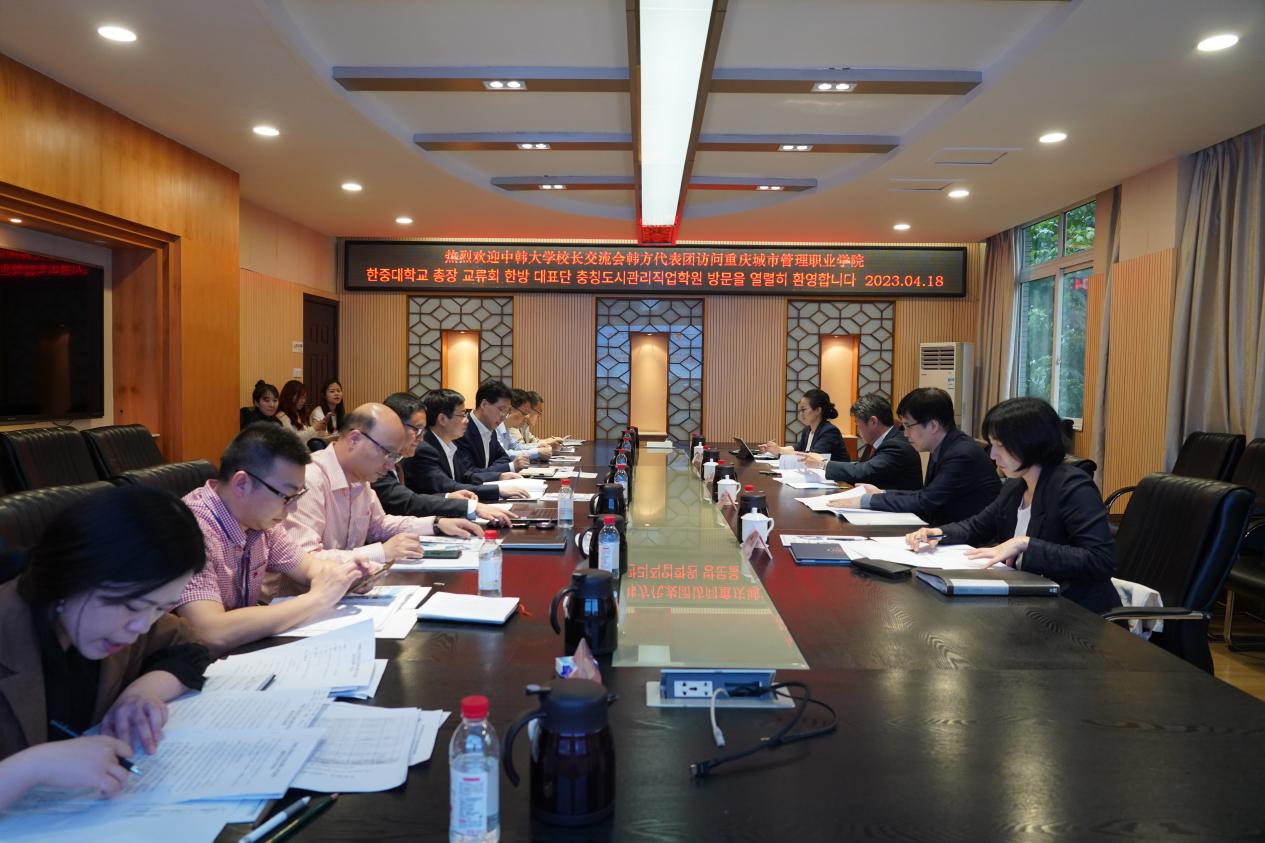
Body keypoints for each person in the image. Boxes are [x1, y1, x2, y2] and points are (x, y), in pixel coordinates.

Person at [0, 485, 210, 809]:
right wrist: (32, 767)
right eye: (133, 605)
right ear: (72, 574)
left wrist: (144, 693)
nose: (142, 626)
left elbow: (188, 646)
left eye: (159, 608)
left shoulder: (113, 617)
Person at [904, 397, 1120, 612]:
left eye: (1000, 445)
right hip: (1028, 602)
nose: (992, 454)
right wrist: (937, 533)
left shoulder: (1073, 487)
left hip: (1074, 610)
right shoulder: (1016, 486)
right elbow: (976, 527)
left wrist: (1026, 544)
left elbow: (1100, 560)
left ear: (1030, 443)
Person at [174, 423, 372, 656]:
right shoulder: (190, 529)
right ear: (242, 483)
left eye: (297, 496)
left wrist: (346, 576)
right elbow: (210, 632)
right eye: (286, 496)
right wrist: (317, 599)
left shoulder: (261, 523)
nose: (292, 507)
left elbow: (309, 567)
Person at [283, 403, 484, 569]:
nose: (390, 465)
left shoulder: (360, 478)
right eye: (387, 453)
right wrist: (381, 552)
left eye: (395, 456)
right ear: (354, 439)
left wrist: (435, 524)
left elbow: (379, 526)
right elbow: (305, 559)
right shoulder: (308, 479)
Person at [833, 387, 1001, 524]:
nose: (905, 434)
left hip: (969, 540)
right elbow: (926, 494)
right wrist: (883, 493)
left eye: (908, 426)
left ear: (933, 425)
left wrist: (866, 501)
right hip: (943, 528)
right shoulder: (944, 445)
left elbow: (926, 501)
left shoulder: (961, 454)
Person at [372, 393, 513, 526]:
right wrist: (468, 506)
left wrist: (447, 498)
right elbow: (407, 502)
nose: (421, 437)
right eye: (417, 429)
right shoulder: (378, 463)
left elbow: (465, 476)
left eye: (423, 429)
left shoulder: (449, 445)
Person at [403, 389, 529, 501]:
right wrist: (497, 490)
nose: (466, 420)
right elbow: (448, 486)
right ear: (442, 419)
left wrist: (500, 476)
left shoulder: (449, 444)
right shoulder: (424, 449)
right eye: (462, 415)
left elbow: (467, 476)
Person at [803, 394, 922, 490]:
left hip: (898, 510)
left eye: (858, 424)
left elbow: (864, 470)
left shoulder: (896, 445)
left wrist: (823, 464)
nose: (858, 431)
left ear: (873, 422)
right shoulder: (880, 441)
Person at [457, 380, 531, 479]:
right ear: (484, 404)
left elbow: (504, 457)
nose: (504, 416)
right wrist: (510, 467)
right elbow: (469, 473)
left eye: (507, 411)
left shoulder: (490, 428)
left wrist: (489, 471)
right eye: (501, 409)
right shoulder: (462, 431)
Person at [759, 388, 849, 462]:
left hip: (837, 478)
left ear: (818, 410)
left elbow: (812, 457)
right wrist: (773, 448)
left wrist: (779, 451)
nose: (801, 413)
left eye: (804, 409)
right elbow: (797, 448)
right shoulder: (808, 430)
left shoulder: (829, 431)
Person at [501, 389, 553, 459]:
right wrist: (537, 452)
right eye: (524, 413)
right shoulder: (496, 427)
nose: (527, 417)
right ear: (510, 409)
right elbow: (502, 454)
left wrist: (538, 446)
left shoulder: (506, 427)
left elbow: (516, 447)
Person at [275, 379, 319, 444]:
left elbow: (307, 435)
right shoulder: (282, 416)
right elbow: (292, 439)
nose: (303, 401)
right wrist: (314, 428)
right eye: (300, 397)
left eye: (304, 398)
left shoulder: (298, 413)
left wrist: (319, 430)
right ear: (289, 396)